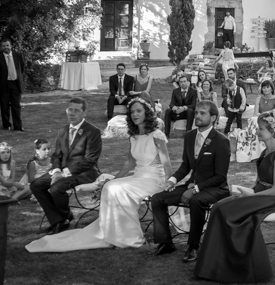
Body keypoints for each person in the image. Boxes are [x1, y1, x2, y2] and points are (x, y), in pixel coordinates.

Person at [27, 98, 173, 251]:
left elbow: (166, 164)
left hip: (153, 179)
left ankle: (131, 237)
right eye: (132, 112)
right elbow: (129, 163)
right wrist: (114, 179)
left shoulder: (157, 135)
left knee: (116, 189)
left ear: (146, 113)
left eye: (139, 111)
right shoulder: (133, 136)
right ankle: (114, 234)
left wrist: (169, 182)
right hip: (137, 177)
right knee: (109, 187)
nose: (135, 114)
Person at [194, 116, 275, 283]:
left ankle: (231, 266)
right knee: (218, 207)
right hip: (260, 193)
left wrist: (252, 196)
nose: (257, 131)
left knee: (226, 212)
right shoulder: (266, 151)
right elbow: (259, 181)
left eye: (261, 129)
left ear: (272, 131)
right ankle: (215, 264)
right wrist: (246, 192)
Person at [151, 100, 231, 262]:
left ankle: (193, 246)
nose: (197, 116)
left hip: (216, 188)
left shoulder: (221, 141)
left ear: (213, 118)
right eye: (196, 113)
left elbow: (220, 176)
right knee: (157, 199)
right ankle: (166, 243)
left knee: (196, 201)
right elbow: (186, 166)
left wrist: (195, 190)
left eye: (202, 113)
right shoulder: (190, 136)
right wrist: (172, 180)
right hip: (193, 185)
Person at [30, 98, 102, 235]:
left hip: (84, 173)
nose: (72, 113)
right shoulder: (62, 131)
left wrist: (64, 173)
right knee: (36, 185)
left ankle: (65, 217)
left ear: (84, 113)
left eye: (77, 110)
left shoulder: (93, 132)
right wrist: (57, 170)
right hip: (62, 171)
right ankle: (59, 220)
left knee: (56, 188)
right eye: (70, 109)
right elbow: (57, 155)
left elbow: (90, 160)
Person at [0, 39, 26, 132]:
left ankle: (18, 126)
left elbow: (22, 68)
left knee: (16, 106)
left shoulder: (18, 55)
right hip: (3, 85)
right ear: (1, 47)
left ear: (11, 46)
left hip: (15, 84)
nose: (6, 47)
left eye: (7, 45)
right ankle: (6, 125)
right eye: (4, 46)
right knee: (4, 106)